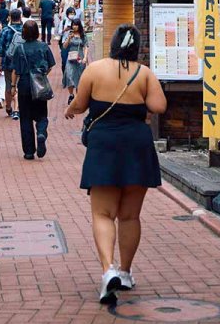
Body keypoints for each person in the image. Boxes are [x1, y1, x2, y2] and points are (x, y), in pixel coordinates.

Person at [65, 24, 167, 304]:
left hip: (104, 145)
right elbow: (159, 106)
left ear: (112, 44)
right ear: (136, 48)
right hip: (137, 145)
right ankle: (125, 271)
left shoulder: (95, 70)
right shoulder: (144, 73)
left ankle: (108, 268)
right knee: (130, 216)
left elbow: (80, 104)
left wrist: (70, 109)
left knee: (103, 214)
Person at [12, 19, 55, 160]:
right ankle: (41, 132)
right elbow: (50, 65)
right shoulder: (43, 46)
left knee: (25, 118)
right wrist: (40, 76)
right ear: (37, 32)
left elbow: (15, 71)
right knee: (41, 114)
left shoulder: (20, 48)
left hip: (24, 85)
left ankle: (29, 151)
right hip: (39, 85)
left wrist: (12, 87)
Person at [0, 8, 23, 121]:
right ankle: (17, 108)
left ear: (10, 17)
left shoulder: (5, 31)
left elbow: (0, 49)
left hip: (9, 62)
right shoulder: (25, 30)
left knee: (9, 86)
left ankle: (9, 107)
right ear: (20, 17)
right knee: (19, 85)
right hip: (22, 62)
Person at [62, 18, 87, 104]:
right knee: (69, 75)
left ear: (79, 25)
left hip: (80, 58)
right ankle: (71, 95)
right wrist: (69, 38)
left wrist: (85, 58)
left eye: (76, 25)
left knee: (79, 78)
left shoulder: (83, 35)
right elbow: (64, 46)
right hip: (71, 57)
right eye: (73, 24)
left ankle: (79, 97)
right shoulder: (70, 34)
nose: (74, 26)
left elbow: (86, 46)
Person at [58, 5, 78, 74]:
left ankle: (72, 78)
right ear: (67, 14)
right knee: (64, 61)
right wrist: (65, 30)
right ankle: (65, 76)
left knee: (74, 61)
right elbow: (59, 33)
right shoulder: (63, 22)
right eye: (70, 13)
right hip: (65, 43)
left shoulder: (76, 22)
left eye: (73, 13)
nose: (72, 15)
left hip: (74, 43)